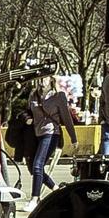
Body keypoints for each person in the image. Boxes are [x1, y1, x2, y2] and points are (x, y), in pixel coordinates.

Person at [26, 74, 80, 206]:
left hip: (51, 133)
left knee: (38, 165)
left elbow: (67, 118)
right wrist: (26, 118)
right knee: (33, 168)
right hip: (35, 133)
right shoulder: (33, 94)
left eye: (44, 78)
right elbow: (27, 111)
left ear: (51, 79)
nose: (41, 81)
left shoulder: (58, 96)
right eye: (39, 78)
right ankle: (56, 189)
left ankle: (35, 199)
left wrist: (74, 139)